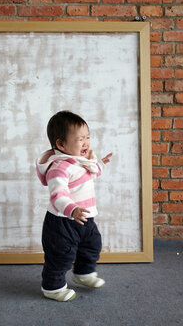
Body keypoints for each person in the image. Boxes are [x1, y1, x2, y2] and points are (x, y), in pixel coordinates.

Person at [35, 110, 112, 302]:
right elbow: (57, 195)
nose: (86, 143)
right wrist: (72, 209)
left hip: (85, 218)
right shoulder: (59, 168)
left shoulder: (79, 162)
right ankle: (53, 287)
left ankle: (84, 274)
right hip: (63, 222)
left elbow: (88, 175)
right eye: (80, 139)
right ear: (61, 144)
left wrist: (100, 164)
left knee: (92, 245)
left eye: (88, 137)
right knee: (61, 255)